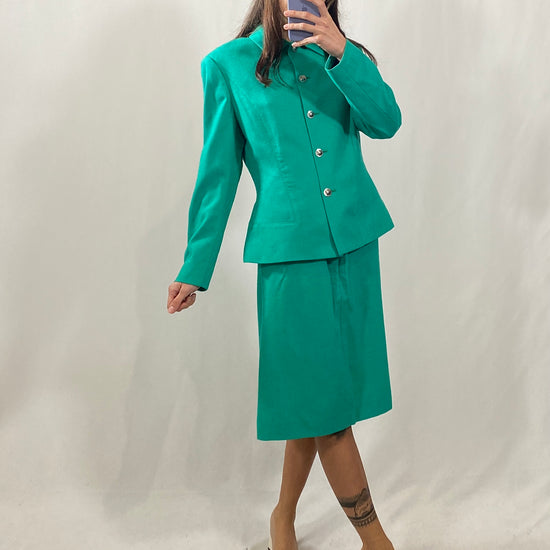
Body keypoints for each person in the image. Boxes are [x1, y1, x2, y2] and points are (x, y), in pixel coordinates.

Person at [167, 1, 401, 548]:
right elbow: (218, 172)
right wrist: (195, 266)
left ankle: (282, 515)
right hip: (290, 257)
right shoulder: (227, 65)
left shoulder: (341, 55)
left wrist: (342, 53)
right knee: (328, 411)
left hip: (356, 244)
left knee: (319, 401)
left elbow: (386, 122)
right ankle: (377, 542)